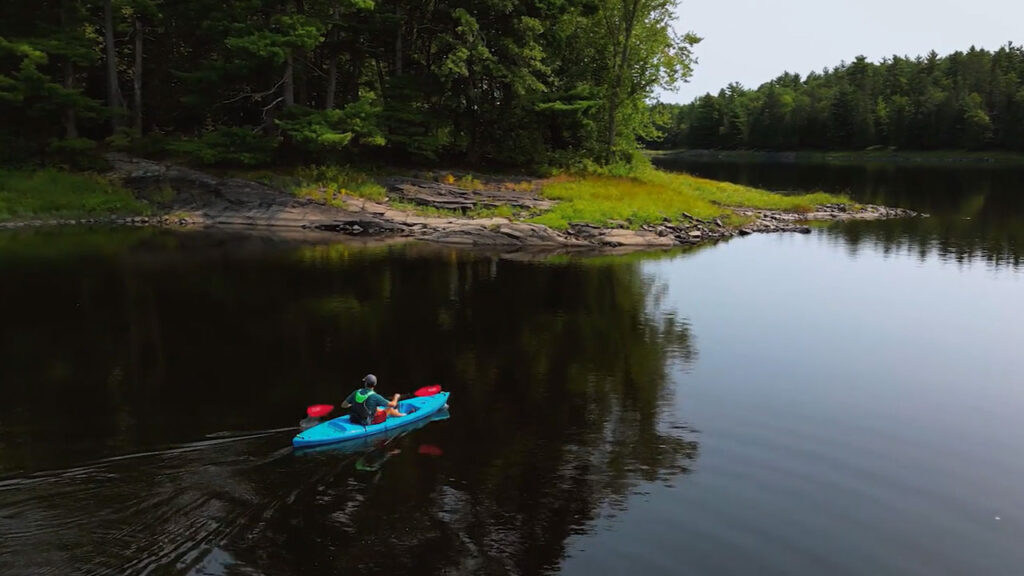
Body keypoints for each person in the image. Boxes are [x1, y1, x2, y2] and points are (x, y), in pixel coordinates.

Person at [341, 374, 405, 425]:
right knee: (389, 409)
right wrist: (396, 397)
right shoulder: (375, 396)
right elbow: (393, 404)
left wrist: (353, 404)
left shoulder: (356, 392)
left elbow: (343, 405)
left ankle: (396, 412)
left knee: (376, 408)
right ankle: (403, 415)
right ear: (375, 384)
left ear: (365, 383)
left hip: (354, 419)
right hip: (366, 422)